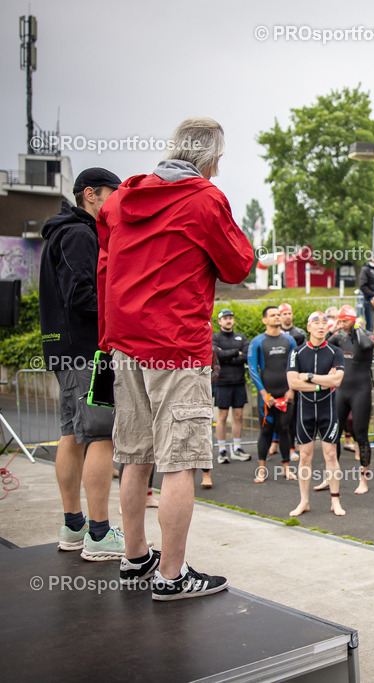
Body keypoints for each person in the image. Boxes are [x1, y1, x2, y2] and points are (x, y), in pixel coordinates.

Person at [98, 117, 252, 599]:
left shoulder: (123, 196)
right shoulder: (205, 199)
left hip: (124, 343)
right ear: (209, 159)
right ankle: (172, 575)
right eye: (219, 161)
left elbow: (107, 252)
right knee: (180, 461)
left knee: (134, 455)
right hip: (175, 346)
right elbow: (239, 263)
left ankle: (134, 557)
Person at [41, 166, 124, 561]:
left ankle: (74, 527)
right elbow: (82, 296)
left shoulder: (60, 231)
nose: (117, 202)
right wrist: (119, 317)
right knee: (100, 436)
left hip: (66, 349)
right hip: (87, 350)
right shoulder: (78, 233)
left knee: (72, 435)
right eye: (113, 194)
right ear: (90, 194)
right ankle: (98, 533)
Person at [287, 311, 346, 517]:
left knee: (330, 454)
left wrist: (309, 377)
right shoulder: (297, 352)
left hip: (327, 410)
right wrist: (323, 383)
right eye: (316, 323)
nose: (321, 326)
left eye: (324, 323)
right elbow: (293, 383)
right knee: (305, 456)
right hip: (305, 411)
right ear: (309, 327)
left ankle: (335, 500)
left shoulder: (335, 352)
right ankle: (304, 501)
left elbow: (337, 381)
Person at [326, 305, 374, 493]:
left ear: (354, 320)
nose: (342, 324)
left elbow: (366, 345)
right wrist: (334, 328)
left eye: (345, 320)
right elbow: (319, 345)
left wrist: (357, 327)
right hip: (342, 390)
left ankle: (363, 480)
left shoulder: (367, 335)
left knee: (361, 435)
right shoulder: (339, 337)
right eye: (340, 320)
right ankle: (331, 477)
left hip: (361, 391)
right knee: (334, 435)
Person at [249, 306, 298, 483]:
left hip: (286, 394)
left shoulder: (289, 340)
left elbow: (295, 366)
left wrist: (292, 389)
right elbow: (253, 369)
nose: (277, 317)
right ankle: (262, 469)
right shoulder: (257, 342)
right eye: (273, 315)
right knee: (266, 431)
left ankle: (286, 468)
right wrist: (263, 394)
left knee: (285, 430)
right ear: (265, 320)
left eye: (278, 315)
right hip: (267, 395)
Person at [212, 308, 249, 469]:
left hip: (239, 382)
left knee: (239, 415)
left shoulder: (241, 337)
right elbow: (216, 356)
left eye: (230, 318)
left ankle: (237, 448)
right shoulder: (215, 338)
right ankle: (221, 450)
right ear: (219, 321)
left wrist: (227, 355)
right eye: (225, 318)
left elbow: (245, 356)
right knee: (222, 417)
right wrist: (235, 352)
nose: (228, 320)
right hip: (222, 382)